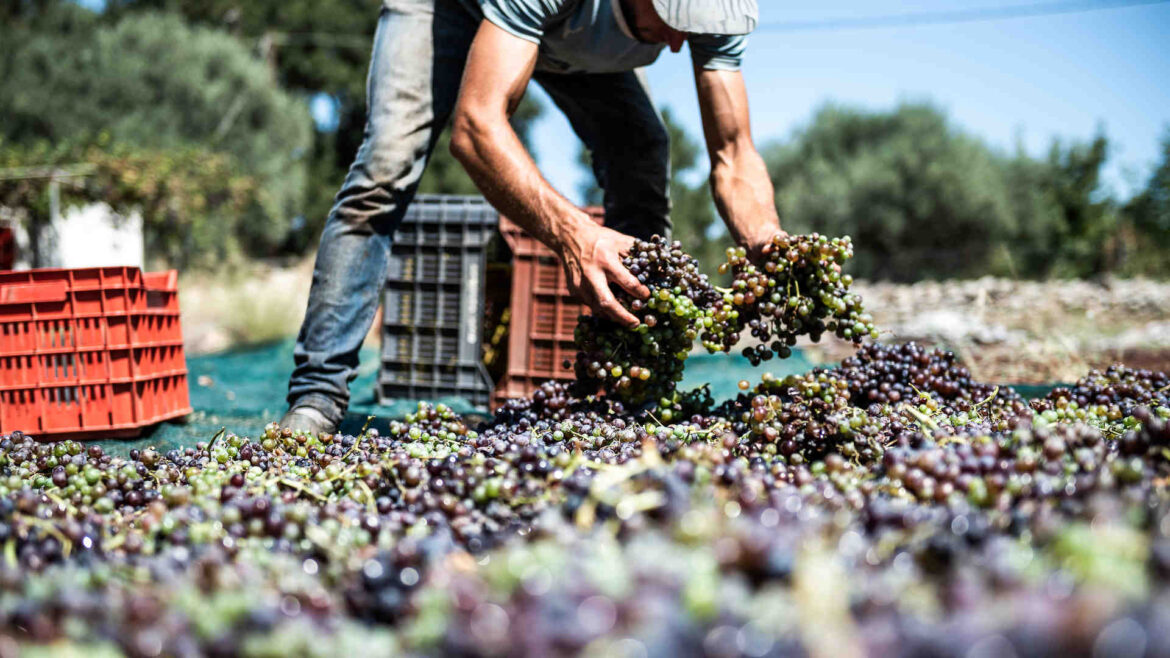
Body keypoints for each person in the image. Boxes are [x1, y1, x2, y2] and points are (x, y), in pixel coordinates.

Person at [282, 0, 782, 434]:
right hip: (449, 10)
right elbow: (476, 128)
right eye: (673, 18)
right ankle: (318, 395)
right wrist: (575, 235)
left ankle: (632, 391)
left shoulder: (712, 17)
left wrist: (765, 238)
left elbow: (735, 154)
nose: (678, 44)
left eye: (692, 26)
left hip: (567, 33)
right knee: (385, 170)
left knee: (642, 156)